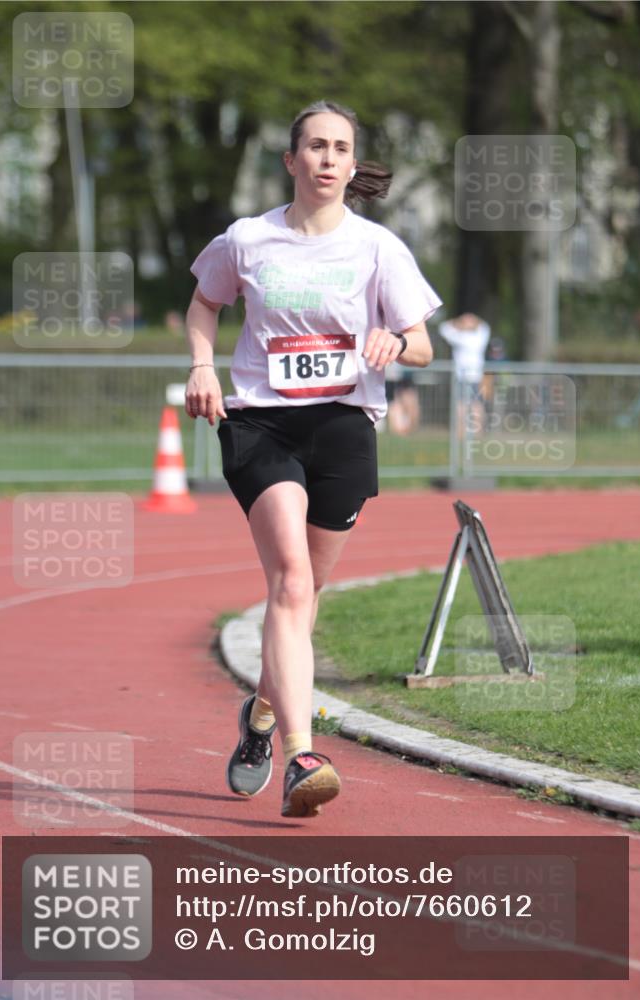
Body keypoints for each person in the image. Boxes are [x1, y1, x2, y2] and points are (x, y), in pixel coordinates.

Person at [185, 100, 442, 818]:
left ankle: (261, 716)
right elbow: (204, 303)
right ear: (291, 160)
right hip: (262, 423)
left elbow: (421, 343)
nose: (328, 159)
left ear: (352, 165)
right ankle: (303, 751)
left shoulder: (377, 248)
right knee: (291, 580)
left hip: (342, 427)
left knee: (306, 595)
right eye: (316, 147)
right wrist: (203, 367)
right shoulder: (247, 239)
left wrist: (395, 343)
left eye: (341, 148)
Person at [437, 312, 491, 438]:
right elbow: (485, 326)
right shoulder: (476, 336)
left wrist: (458, 322)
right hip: (463, 377)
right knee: (463, 405)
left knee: (472, 405)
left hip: (473, 377)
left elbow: (444, 328)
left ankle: (474, 432)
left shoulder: (463, 337)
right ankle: (463, 432)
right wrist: (464, 322)